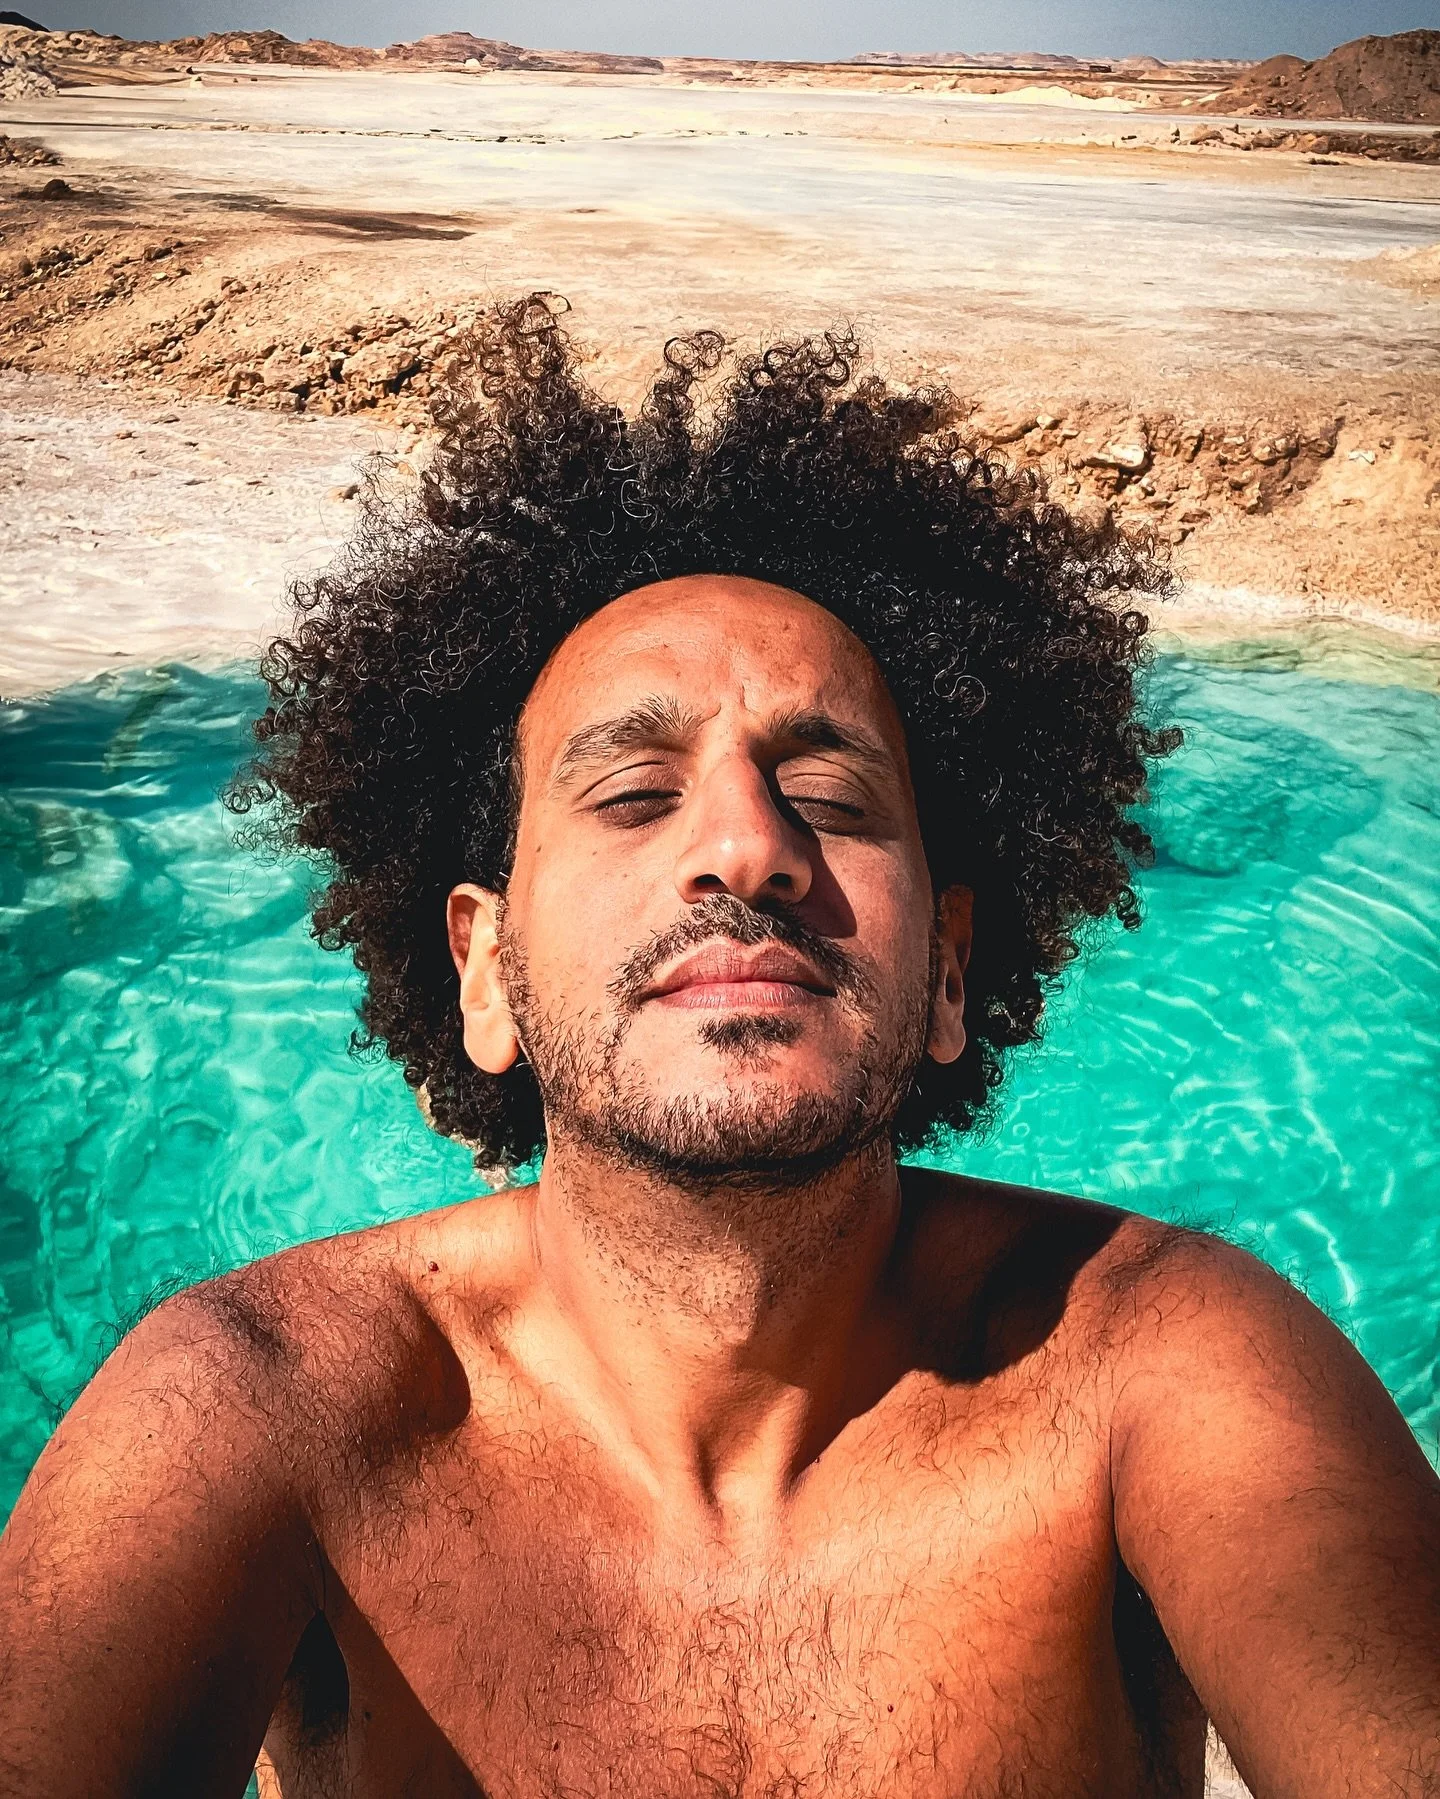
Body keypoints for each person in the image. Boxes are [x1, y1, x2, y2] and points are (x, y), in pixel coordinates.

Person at [1, 298, 1436, 1799]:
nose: (748, 847)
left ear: (948, 967)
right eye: (634, 795)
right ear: (484, 966)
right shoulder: (253, 1411)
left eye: (831, 796)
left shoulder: (1165, 1366)